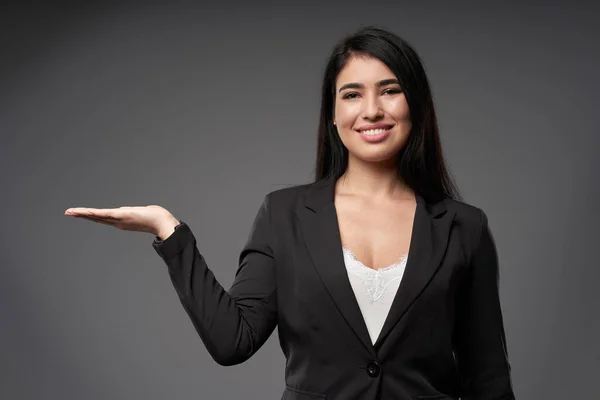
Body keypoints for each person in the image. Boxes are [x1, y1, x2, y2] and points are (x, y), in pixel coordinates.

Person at [65, 26, 515, 400]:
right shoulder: (284, 214)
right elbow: (232, 341)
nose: (372, 110)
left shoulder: (465, 226)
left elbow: (489, 377)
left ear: (415, 105)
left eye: (391, 91)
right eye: (352, 95)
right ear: (333, 116)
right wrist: (169, 231)